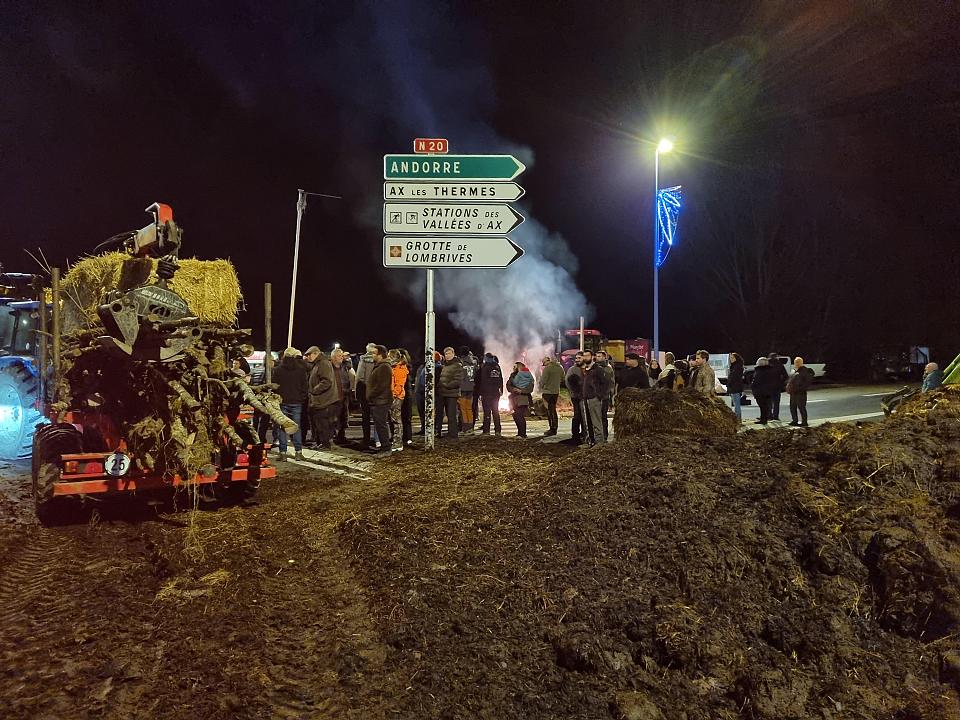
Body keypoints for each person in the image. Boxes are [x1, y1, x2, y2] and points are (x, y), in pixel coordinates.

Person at [272, 347, 308, 460]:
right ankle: (298, 452)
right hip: (296, 402)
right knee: (296, 427)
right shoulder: (301, 370)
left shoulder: (277, 370)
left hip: (282, 402)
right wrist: (301, 398)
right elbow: (305, 387)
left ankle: (283, 453)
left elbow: (274, 386)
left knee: (282, 427)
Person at [306, 349, 340, 450]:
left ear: (316, 353)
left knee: (323, 424)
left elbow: (326, 381)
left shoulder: (323, 364)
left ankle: (325, 444)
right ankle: (322, 443)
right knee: (320, 423)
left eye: (309, 355)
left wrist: (314, 390)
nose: (308, 357)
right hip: (321, 400)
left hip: (324, 400)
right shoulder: (319, 364)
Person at [366, 345, 393, 456]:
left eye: (374, 353)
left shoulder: (384, 367)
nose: (372, 355)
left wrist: (371, 395)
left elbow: (381, 385)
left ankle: (386, 448)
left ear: (380, 355)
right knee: (379, 424)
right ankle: (384, 447)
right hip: (378, 400)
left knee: (381, 425)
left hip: (381, 401)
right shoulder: (380, 366)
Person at [580, 349, 609, 445]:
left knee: (596, 421)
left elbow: (605, 383)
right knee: (588, 422)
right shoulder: (586, 369)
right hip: (586, 398)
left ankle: (599, 442)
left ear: (592, 357)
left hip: (594, 398)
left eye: (587, 355)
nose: (585, 358)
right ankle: (591, 441)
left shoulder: (597, 369)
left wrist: (599, 395)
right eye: (584, 356)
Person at [438, 347, 464, 439]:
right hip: (443, 393)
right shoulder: (444, 365)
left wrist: (446, 385)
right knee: (447, 414)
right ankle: (449, 432)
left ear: (453, 354)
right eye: (446, 354)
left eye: (449, 353)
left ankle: (453, 434)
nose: (447, 356)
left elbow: (458, 380)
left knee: (452, 414)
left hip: (452, 394)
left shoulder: (457, 365)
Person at [355, 343, 378, 448]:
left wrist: (357, 393)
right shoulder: (379, 360)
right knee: (378, 417)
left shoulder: (363, 360)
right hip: (377, 392)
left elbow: (359, 377)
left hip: (365, 392)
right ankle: (378, 440)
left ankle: (366, 439)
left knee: (366, 417)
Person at [386, 349, 408, 452]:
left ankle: (398, 443)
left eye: (389, 356)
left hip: (396, 397)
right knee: (393, 420)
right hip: (393, 396)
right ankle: (395, 441)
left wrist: (393, 395)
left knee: (396, 421)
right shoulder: (394, 367)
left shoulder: (400, 368)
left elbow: (399, 385)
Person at [506, 362, 534, 437]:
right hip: (514, 399)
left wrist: (521, 391)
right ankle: (520, 433)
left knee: (519, 416)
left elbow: (530, 388)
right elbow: (508, 385)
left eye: (515, 366)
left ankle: (523, 434)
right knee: (516, 416)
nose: (514, 368)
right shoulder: (513, 375)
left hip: (523, 398)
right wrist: (513, 389)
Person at [478, 352, 504, 435]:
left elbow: (483, 381)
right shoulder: (497, 366)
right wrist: (501, 390)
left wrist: (481, 392)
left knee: (487, 412)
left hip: (487, 393)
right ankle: (498, 430)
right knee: (495, 411)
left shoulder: (485, 367)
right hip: (496, 392)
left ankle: (486, 430)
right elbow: (501, 379)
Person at [539, 355, 564, 436]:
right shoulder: (560, 367)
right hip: (556, 392)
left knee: (550, 411)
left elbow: (543, 381)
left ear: (547, 361)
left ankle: (552, 429)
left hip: (547, 392)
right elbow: (563, 378)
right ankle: (555, 427)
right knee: (553, 409)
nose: (544, 365)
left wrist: (541, 387)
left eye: (544, 363)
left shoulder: (548, 368)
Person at [331, 349, 352, 443]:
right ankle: (333, 434)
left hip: (344, 394)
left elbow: (349, 366)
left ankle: (341, 435)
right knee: (333, 417)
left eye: (342, 356)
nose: (342, 357)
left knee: (343, 416)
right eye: (339, 356)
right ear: (334, 357)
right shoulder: (330, 367)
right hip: (334, 396)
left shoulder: (344, 366)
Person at [787, 356, 815, 426]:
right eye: (795, 362)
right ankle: (794, 421)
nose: (796, 363)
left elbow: (807, 383)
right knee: (792, 407)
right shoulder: (794, 371)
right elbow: (790, 380)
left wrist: (800, 388)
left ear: (801, 363)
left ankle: (804, 422)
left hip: (800, 393)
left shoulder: (805, 371)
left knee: (801, 407)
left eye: (798, 362)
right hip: (793, 393)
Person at [595, 351, 616, 440]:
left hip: (604, 396)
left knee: (603, 416)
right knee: (595, 416)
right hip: (594, 395)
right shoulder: (594, 367)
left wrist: (609, 393)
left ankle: (604, 435)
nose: (597, 358)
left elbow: (611, 382)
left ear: (604, 357)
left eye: (599, 356)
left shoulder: (608, 368)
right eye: (596, 356)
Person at [565, 352, 585, 444]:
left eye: (579, 358)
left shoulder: (587, 368)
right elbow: (568, 382)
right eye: (576, 358)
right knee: (577, 415)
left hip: (586, 396)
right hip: (576, 396)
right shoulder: (572, 369)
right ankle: (575, 435)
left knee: (585, 416)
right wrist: (574, 392)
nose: (577, 360)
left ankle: (585, 433)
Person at [750, 356, 777, 425]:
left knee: (762, 407)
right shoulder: (770, 370)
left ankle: (763, 420)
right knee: (766, 406)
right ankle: (764, 419)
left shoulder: (759, 371)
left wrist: (752, 387)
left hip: (760, 392)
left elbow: (755, 382)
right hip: (768, 391)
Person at [458, 346, 478, 433]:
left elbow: (459, 376)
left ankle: (465, 427)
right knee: (469, 408)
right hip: (471, 387)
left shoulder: (461, 362)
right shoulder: (473, 363)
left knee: (463, 408)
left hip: (462, 388)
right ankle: (470, 427)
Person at [399, 348, 414, 445]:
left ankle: (406, 437)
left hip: (403, 393)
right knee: (405, 417)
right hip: (405, 393)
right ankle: (406, 437)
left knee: (404, 417)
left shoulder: (404, 367)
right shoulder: (407, 367)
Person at [769, 353, 789, 422]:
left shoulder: (767, 365)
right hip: (777, 386)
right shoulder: (779, 364)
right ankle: (776, 416)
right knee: (776, 402)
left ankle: (769, 415)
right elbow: (786, 375)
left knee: (769, 401)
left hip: (768, 386)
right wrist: (781, 382)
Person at [727, 352, 745, 421]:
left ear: (736, 358)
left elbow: (734, 378)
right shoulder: (734, 366)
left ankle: (738, 419)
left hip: (735, 388)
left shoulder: (737, 367)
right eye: (730, 358)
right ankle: (738, 419)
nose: (731, 359)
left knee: (737, 405)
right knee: (736, 404)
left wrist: (729, 384)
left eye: (732, 358)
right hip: (734, 387)